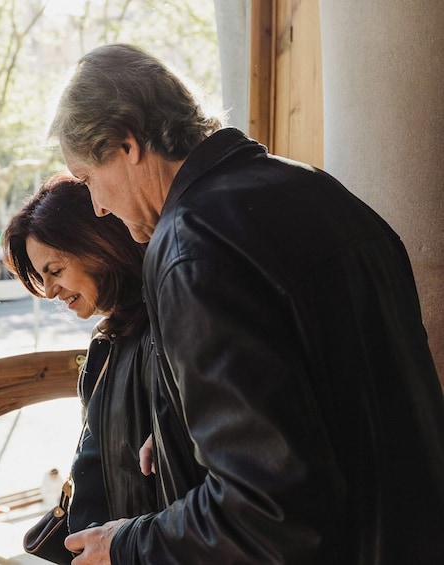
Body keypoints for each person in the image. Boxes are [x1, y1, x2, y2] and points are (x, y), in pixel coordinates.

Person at [48, 43, 444, 564]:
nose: (97, 206)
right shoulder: (322, 191)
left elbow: (269, 508)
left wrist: (128, 544)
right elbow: (330, 395)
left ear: (126, 143)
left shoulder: (190, 245)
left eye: (87, 179)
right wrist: (180, 432)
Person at [3, 175, 177, 539]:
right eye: (41, 277)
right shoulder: (111, 338)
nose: (49, 291)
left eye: (55, 271)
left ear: (101, 246)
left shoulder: (163, 332)